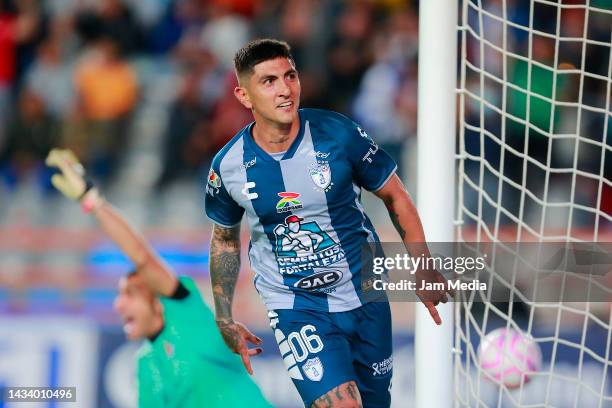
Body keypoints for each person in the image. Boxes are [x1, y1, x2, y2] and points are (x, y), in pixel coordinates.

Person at [205, 39, 452, 408]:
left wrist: (423, 265)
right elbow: (225, 239)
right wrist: (224, 316)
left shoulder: (339, 134)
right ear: (244, 95)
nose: (286, 89)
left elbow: (395, 195)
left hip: (365, 293)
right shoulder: (228, 166)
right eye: (269, 81)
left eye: (290, 76)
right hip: (296, 304)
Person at [45, 148, 272, 408]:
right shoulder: (145, 366)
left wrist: (91, 200)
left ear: (159, 301)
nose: (119, 305)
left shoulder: (189, 316)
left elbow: (141, 257)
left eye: (130, 294)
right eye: (120, 296)